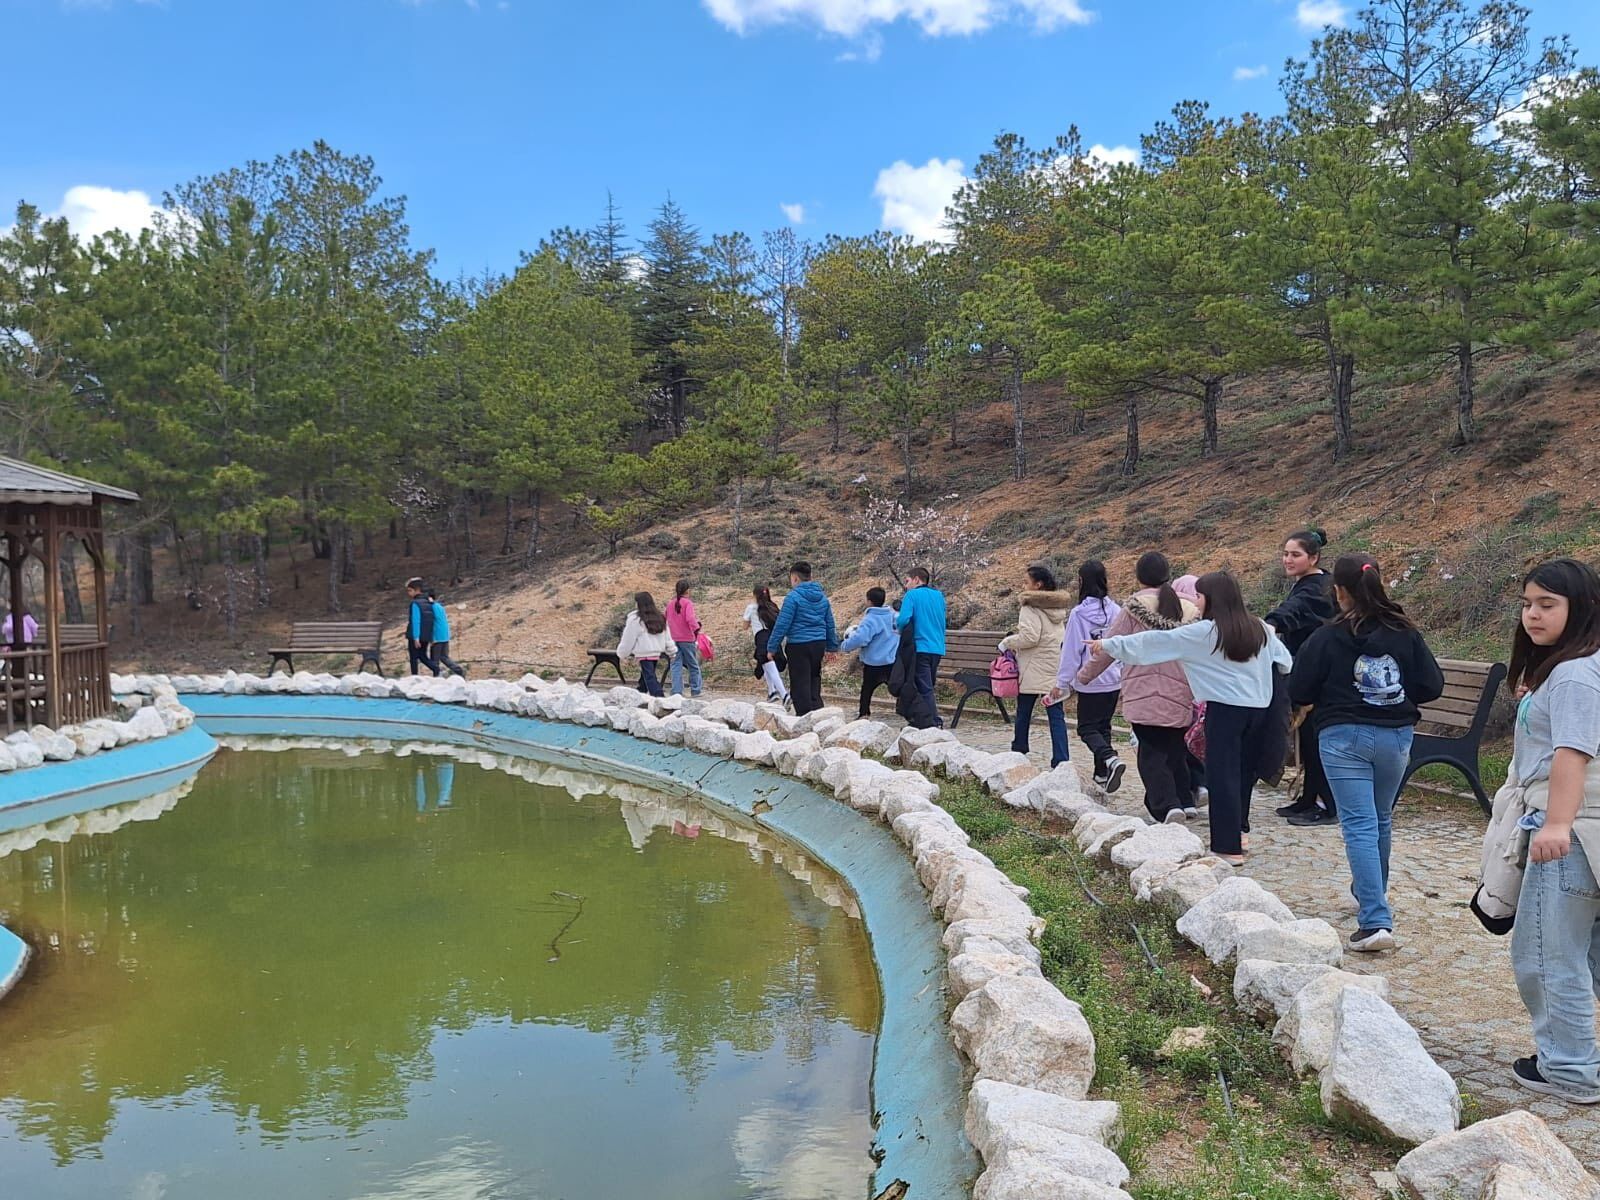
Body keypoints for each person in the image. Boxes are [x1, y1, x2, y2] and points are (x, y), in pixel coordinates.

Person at [1289, 554, 1442, 953]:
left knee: (1358, 824)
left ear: (1338, 591)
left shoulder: (1325, 636)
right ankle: (1370, 892)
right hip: (1395, 737)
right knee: (1380, 818)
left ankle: (1375, 919)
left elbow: (1299, 690)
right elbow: (1431, 685)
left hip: (1342, 738)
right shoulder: (1405, 631)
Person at [1090, 571, 1292, 864]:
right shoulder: (1259, 628)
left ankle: (1228, 848)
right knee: (1243, 774)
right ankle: (1239, 832)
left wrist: (1108, 645)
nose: (1195, 603)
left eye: (1198, 596)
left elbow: (1154, 643)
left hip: (1225, 712)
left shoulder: (1205, 632)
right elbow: (1284, 662)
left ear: (1212, 599)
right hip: (1260, 711)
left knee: (1222, 777)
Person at [1505, 558, 1600, 1104]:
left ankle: (1568, 1068)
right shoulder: (1582, 666)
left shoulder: (1576, 673)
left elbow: (1572, 753)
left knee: (1548, 952)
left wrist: (1557, 824)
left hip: (1574, 832)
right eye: (1526, 603)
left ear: (1580, 607)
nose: (1532, 615)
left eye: (1547, 604)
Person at [1079, 553, 1196, 820]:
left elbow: (1110, 647)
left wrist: (1083, 677)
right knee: (1174, 748)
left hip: (1144, 692)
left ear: (1139, 577)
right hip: (1181, 690)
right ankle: (1185, 799)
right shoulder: (1189, 610)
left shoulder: (1134, 608)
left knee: (1151, 751)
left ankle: (1167, 806)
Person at [1268, 529, 1338, 827]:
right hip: (1307, 672)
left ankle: (1326, 803)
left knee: (1316, 738)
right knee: (1307, 738)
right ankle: (1309, 796)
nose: (1288, 559)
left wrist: (1270, 623)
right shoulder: (1308, 583)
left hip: (1321, 677)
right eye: (1285, 554)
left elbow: (1293, 612)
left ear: (1314, 557)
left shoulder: (1317, 587)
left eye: (1295, 554)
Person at [1054, 561, 1126, 789]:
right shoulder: (1117, 610)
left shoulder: (1078, 614)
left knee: (1086, 728)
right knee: (1103, 726)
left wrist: (1062, 682)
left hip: (1090, 680)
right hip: (1113, 678)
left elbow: (1071, 651)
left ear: (1081, 581)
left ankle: (1109, 757)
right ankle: (1101, 773)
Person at [997, 565, 1071, 766]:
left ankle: (1019, 750)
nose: (1023, 586)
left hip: (1033, 667)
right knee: (1056, 715)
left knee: (1024, 712)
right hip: (1053, 665)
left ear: (1038, 585)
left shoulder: (1030, 606)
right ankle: (1061, 759)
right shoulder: (1057, 608)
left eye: (1026, 582)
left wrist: (1008, 642)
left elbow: (1030, 637)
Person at [767, 562, 840, 715]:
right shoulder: (822, 597)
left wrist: (772, 647)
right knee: (814, 676)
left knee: (800, 682)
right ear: (810, 577)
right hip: (818, 644)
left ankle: (804, 716)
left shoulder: (792, 598)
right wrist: (832, 647)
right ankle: (817, 711)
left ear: (795, 578)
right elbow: (829, 623)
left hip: (798, 645)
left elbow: (782, 624)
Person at [895, 566, 948, 729]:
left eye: (908, 581)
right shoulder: (939, 596)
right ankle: (923, 719)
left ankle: (931, 721)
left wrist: (900, 628)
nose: (906, 585)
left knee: (923, 687)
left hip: (920, 647)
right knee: (928, 683)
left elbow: (903, 620)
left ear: (917, 579)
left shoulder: (911, 595)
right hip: (937, 647)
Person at [841, 587, 900, 718]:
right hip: (891, 660)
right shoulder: (893, 616)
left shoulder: (870, 619)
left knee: (867, 690)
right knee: (898, 687)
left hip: (873, 663)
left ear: (869, 601)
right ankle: (910, 710)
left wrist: (845, 646)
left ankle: (864, 714)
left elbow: (860, 638)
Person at [618, 591, 675, 696]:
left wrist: (622, 653)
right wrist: (672, 651)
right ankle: (641, 691)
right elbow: (667, 636)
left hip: (644, 652)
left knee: (650, 677)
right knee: (647, 674)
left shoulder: (635, 619)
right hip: (656, 652)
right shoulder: (660, 617)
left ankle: (659, 697)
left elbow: (628, 639)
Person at [743, 585, 790, 707]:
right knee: (765, 665)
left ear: (754, 595)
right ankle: (771, 692)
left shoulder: (751, 607)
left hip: (761, 638)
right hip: (773, 638)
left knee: (768, 665)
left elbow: (745, 626)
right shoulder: (772, 606)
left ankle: (784, 694)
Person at [666, 578, 704, 698]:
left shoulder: (670, 603)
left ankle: (676, 691)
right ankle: (695, 689)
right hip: (687, 638)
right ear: (687, 591)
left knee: (675, 665)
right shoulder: (688, 603)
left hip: (673, 638)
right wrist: (696, 628)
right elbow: (690, 619)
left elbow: (665, 617)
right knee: (693, 664)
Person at [427, 589, 467, 677]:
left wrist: (431, 638)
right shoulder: (439, 606)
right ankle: (458, 670)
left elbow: (431, 623)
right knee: (444, 657)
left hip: (437, 637)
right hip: (445, 635)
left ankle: (437, 676)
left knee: (434, 660)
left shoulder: (430, 608)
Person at [405, 578, 438, 676]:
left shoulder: (415, 603)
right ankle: (435, 668)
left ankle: (414, 676)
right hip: (426, 635)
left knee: (414, 657)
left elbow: (416, 621)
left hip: (416, 636)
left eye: (410, 590)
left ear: (417, 590)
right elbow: (430, 620)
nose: (409, 593)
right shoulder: (429, 603)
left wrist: (416, 637)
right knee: (423, 656)